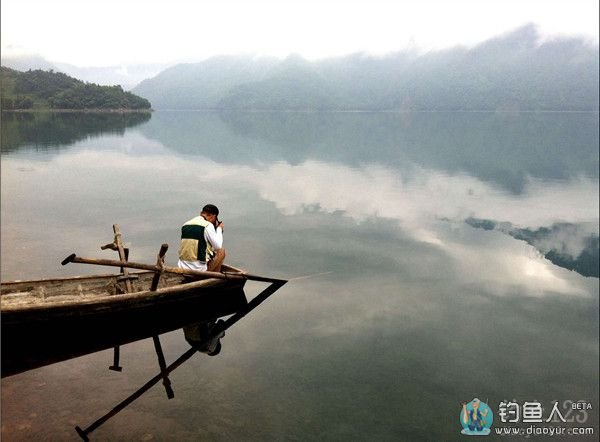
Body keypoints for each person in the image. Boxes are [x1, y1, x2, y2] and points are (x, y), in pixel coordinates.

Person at [178, 204, 226, 273]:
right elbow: (218, 246)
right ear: (213, 217)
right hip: (198, 270)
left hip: (182, 268)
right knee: (221, 251)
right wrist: (219, 229)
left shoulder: (186, 224)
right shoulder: (207, 225)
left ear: (201, 213)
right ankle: (214, 277)